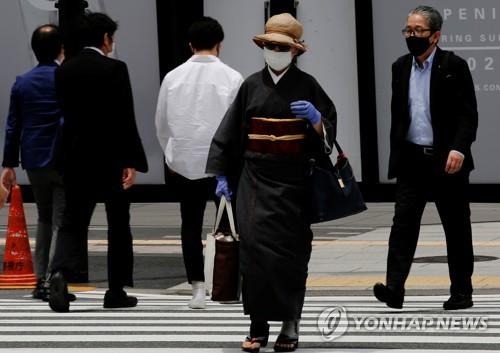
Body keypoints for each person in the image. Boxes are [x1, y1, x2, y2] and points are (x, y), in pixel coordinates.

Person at [206, 13, 336, 353]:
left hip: (293, 181)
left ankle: (291, 324)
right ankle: (258, 326)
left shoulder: (308, 86)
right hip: (255, 179)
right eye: (269, 46)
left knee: (291, 255)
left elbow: (328, 135)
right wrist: (222, 174)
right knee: (254, 254)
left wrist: (317, 120)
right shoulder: (250, 85)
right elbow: (230, 133)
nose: (274, 51)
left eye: (281, 47)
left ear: (294, 52)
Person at [373, 6, 478, 311]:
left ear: (435, 36)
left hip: (447, 161)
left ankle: (461, 292)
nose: (411, 36)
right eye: (408, 30)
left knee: (456, 227)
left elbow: (468, 115)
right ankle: (394, 289)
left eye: (418, 31)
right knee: (402, 225)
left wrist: (459, 148)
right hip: (412, 160)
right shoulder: (400, 67)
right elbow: (401, 115)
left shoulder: (453, 66)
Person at [48, 12, 148, 313]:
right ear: (105, 38)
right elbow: (124, 117)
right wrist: (132, 160)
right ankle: (115, 290)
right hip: (110, 157)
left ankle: (60, 273)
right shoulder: (115, 69)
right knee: (118, 223)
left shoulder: (64, 71)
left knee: (72, 221)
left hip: (75, 156)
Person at [155, 17, 243, 309]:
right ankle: (228, 283)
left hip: (185, 161)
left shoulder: (172, 77)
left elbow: (162, 124)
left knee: (189, 224)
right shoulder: (232, 78)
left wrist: (170, 155)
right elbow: (239, 125)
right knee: (229, 222)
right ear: (219, 44)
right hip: (223, 165)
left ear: (190, 44)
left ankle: (197, 288)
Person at [1, 25, 65, 300]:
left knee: (44, 217)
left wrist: (8, 163)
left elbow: (13, 126)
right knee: (62, 221)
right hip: (63, 159)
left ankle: (39, 280)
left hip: (34, 159)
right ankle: (55, 277)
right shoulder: (65, 78)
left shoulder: (22, 81)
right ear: (61, 49)